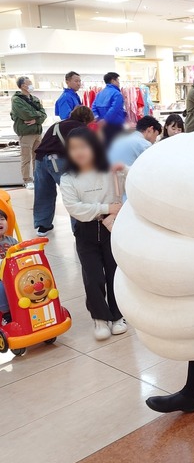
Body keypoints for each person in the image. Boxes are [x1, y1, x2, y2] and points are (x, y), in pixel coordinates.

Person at [60, 127, 126, 341]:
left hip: (112, 228)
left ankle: (118, 316)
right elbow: (74, 208)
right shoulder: (68, 178)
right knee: (93, 276)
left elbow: (133, 180)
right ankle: (100, 318)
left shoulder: (109, 169)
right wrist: (106, 207)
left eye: (84, 146)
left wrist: (124, 169)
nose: (79, 152)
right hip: (86, 231)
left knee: (115, 273)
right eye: (73, 148)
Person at [33, 105, 95, 236]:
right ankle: (78, 228)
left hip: (40, 160)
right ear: (86, 119)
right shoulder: (81, 129)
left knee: (43, 193)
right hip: (59, 161)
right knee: (73, 193)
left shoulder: (57, 125)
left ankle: (42, 226)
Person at [11, 76, 47, 189]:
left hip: (37, 131)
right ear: (23, 86)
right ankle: (27, 180)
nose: (32, 85)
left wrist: (36, 120)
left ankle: (38, 178)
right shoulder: (16, 100)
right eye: (29, 83)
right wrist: (38, 115)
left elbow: (44, 114)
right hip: (26, 132)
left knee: (38, 157)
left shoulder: (35, 99)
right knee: (26, 158)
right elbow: (26, 115)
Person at [92, 72, 126, 143]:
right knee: (116, 145)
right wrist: (105, 120)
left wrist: (98, 118)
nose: (119, 83)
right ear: (113, 81)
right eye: (118, 80)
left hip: (101, 126)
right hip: (115, 126)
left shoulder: (99, 94)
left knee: (104, 144)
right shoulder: (117, 94)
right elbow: (114, 109)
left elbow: (93, 107)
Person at [0, 210, 19, 324]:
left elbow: (22, 253)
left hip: (15, 274)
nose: (0, 222)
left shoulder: (12, 241)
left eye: (2, 219)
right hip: (1, 277)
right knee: (1, 287)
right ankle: (6, 313)